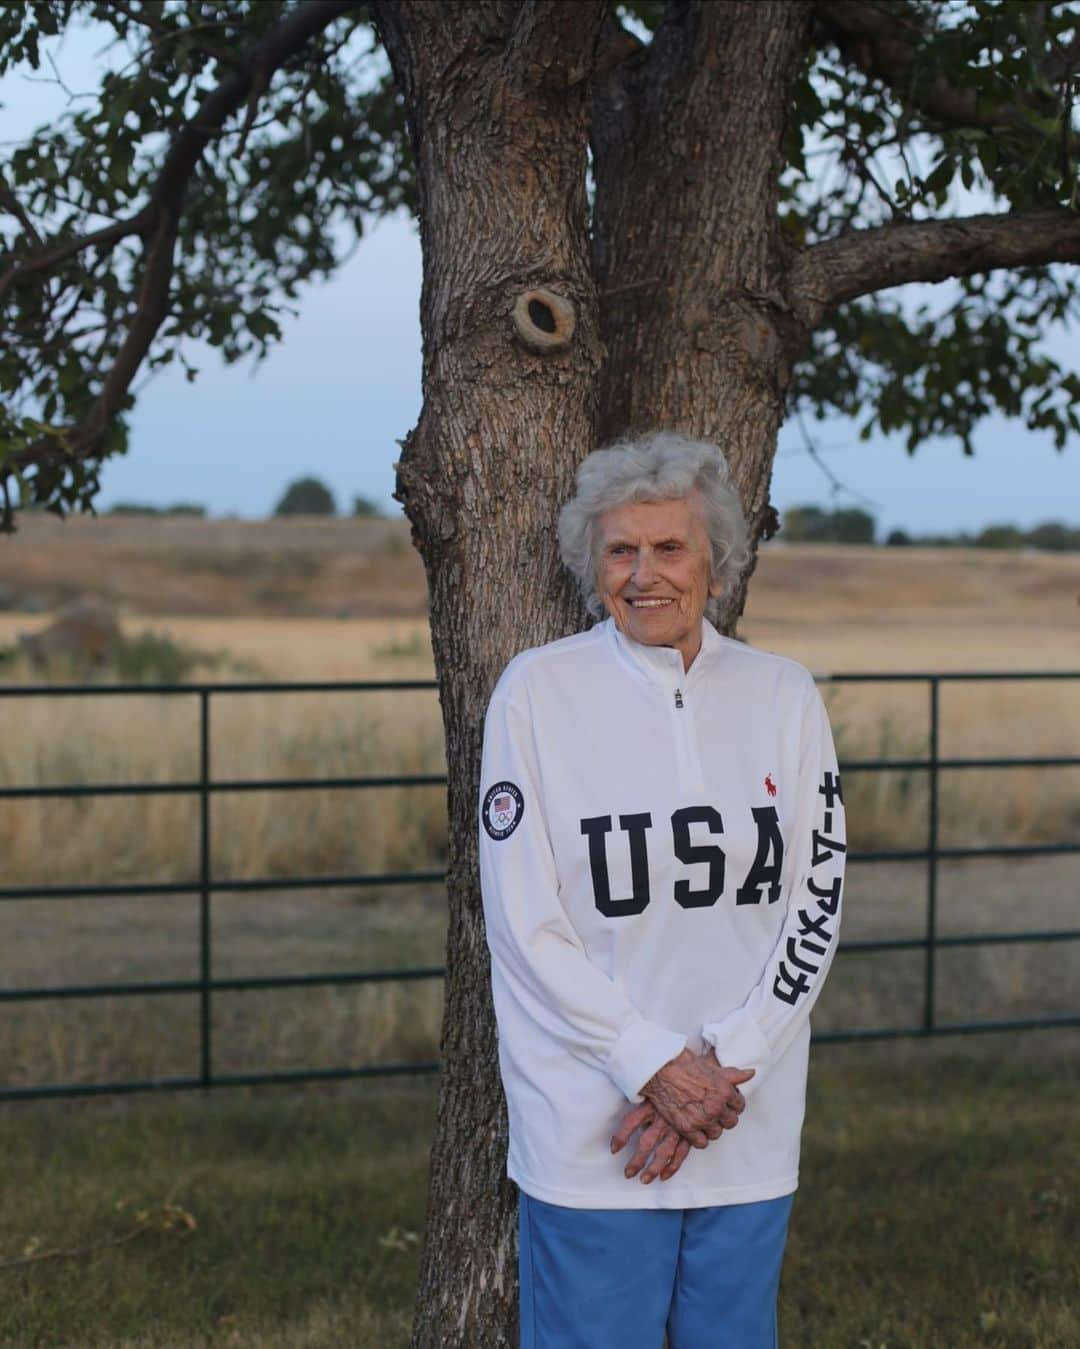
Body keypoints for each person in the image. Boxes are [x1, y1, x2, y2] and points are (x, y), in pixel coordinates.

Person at [478, 430, 846, 1349]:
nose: (645, 573)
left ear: (715, 562)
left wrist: (726, 1066)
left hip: (744, 1124)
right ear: (592, 565)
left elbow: (816, 900)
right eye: (620, 550)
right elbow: (526, 925)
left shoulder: (783, 695)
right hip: (595, 1130)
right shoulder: (537, 694)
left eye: (669, 547)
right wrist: (652, 1064)